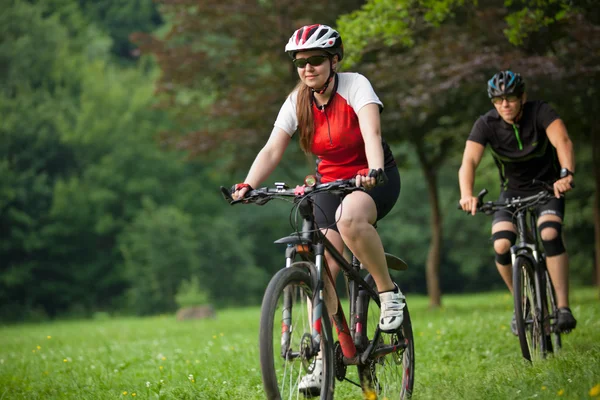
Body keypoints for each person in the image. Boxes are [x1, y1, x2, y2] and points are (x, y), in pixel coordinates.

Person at [231, 24, 404, 393]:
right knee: (322, 270)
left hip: (373, 178)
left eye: (315, 60)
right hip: (328, 184)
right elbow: (272, 148)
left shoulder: (357, 86)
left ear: (334, 60)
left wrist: (372, 171)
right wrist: (247, 184)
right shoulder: (298, 101)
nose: (307, 68)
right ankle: (327, 356)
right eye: (299, 62)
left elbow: (372, 133)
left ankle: (389, 293)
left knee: (351, 219)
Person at [458, 70, 577, 335]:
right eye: (498, 100)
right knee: (501, 244)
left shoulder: (541, 112)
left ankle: (563, 308)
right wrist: (467, 194)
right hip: (511, 192)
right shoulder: (486, 124)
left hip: (548, 187)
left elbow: (563, 141)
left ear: (522, 97)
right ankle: (521, 303)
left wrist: (566, 174)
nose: (505, 105)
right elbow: (469, 162)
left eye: (510, 98)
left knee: (549, 232)